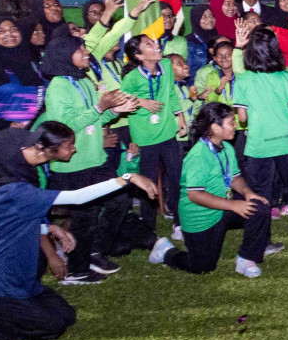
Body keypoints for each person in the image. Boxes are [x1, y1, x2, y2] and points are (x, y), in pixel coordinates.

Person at [0, 126, 156, 340]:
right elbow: (78, 197)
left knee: (65, 315)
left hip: (14, 275)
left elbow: (14, 220)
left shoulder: (15, 183)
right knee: (50, 328)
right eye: (30, 146)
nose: (38, 148)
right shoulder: (15, 191)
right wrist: (127, 178)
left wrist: (49, 228)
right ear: (13, 155)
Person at [36, 34, 142, 283]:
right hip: (74, 164)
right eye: (79, 48)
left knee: (118, 202)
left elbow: (97, 118)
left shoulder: (82, 80)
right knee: (86, 216)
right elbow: (64, 127)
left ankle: (93, 251)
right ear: (64, 55)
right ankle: (76, 271)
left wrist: (115, 110)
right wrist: (100, 107)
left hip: (96, 158)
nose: (86, 51)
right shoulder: (58, 87)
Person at [149, 103, 272, 277]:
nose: (235, 125)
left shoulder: (227, 147)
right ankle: (165, 251)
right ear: (215, 127)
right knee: (202, 266)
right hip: (200, 217)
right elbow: (195, 195)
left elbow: (235, 177)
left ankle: (246, 258)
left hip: (221, 208)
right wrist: (233, 205)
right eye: (231, 122)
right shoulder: (199, 155)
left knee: (260, 207)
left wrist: (247, 192)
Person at [232, 22, 288, 252]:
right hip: (286, 142)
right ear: (276, 50)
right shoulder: (286, 78)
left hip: (258, 145)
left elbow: (243, 117)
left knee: (259, 194)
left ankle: (263, 243)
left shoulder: (243, 80)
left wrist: (237, 47)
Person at [120, 32, 187, 226]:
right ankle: (148, 226)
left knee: (176, 177)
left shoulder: (166, 65)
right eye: (149, 44)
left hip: (167, 132)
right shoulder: (132, 77)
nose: (156, 45)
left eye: (154, 42)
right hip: (145, 137)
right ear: (139, 56)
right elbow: (120, 99)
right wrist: (141, 101)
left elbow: (171, 93)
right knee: (147, 182)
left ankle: (178, 221)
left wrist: (179, 116)